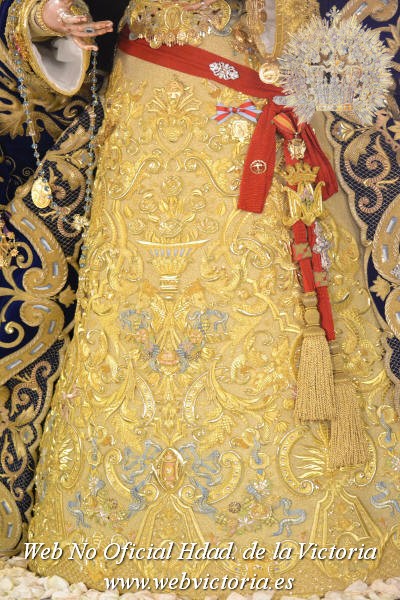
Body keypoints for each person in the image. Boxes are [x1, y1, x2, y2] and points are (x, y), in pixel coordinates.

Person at [4, 0, 400, 596]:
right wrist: (45, 19)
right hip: (147, 123)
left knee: (279, 313)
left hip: (262, 106)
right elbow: (46, 23)